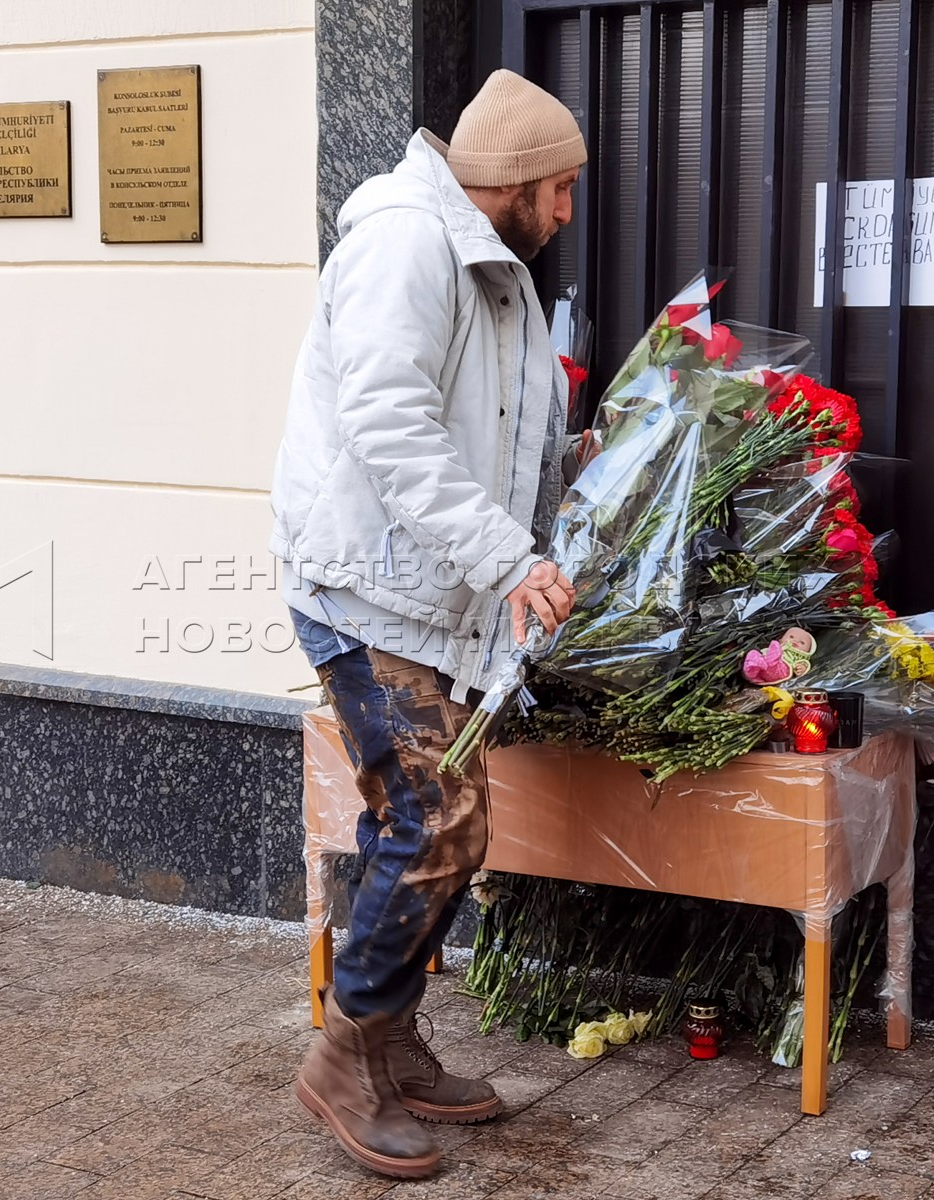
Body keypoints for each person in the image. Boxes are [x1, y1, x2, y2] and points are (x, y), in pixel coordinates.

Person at [269, 69, 589, 1179]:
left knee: (439, 826)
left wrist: (576, 462)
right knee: (436, 818)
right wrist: (512, 561)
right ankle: (343, 1057)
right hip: (364, 590)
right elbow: (391, 424)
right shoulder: (408, 243)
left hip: (430, 599)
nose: (564, 213)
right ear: (505, 182)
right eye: (557, 190)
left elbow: (487, 434)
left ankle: (391, 1040)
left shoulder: (496, 273)